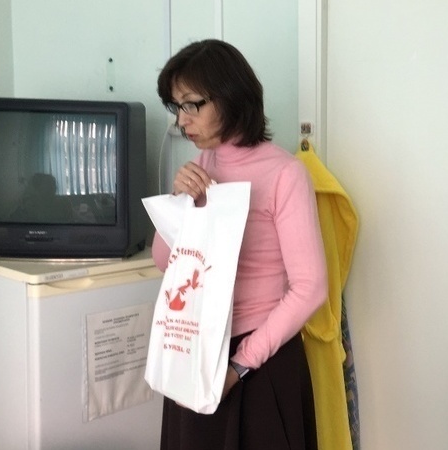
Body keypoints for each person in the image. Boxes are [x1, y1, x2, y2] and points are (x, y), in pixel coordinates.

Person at [151, 39, 328, 450]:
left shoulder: (285, 174)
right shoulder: (202, 165)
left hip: (260, 360)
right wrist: (181, 202)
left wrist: (239, 365)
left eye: (191, 105)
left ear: (230, 97)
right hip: (196, 347)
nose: (181, 120)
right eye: (176, 106)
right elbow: (165, 261)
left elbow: (310, 287)